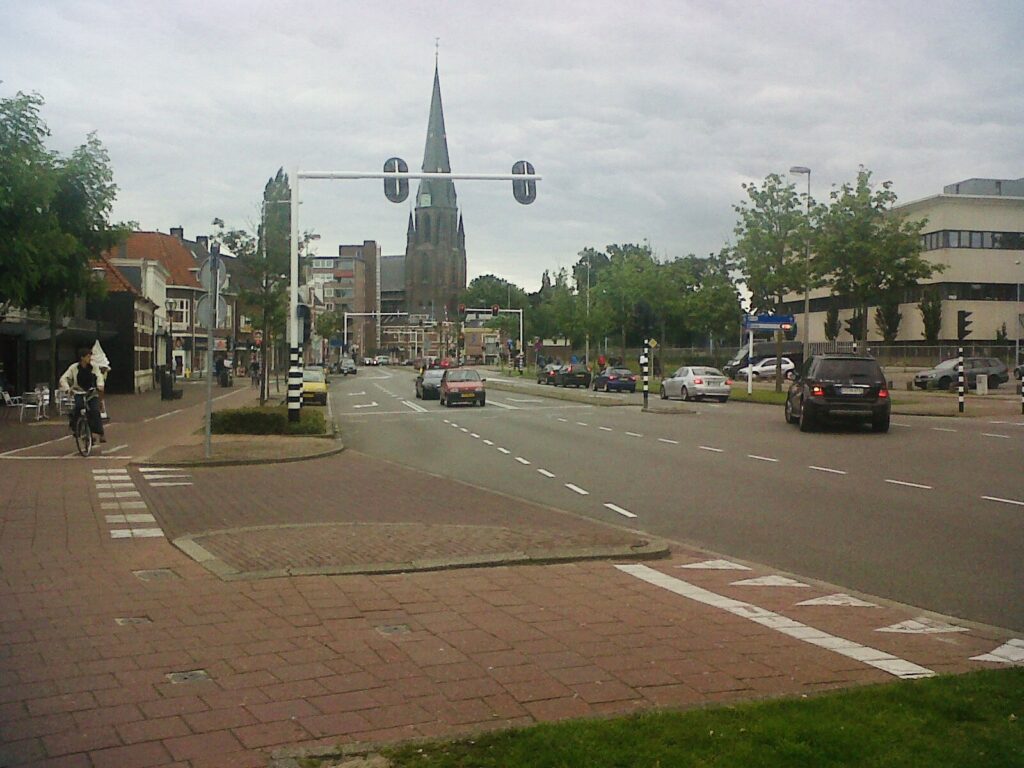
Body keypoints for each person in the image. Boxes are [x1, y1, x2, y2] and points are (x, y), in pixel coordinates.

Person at [60, 348, 106, 443]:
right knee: (78, 407)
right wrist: (67, 389)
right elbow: (63, 379)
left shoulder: (94, 367)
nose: (90, 358)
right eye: (88, 356)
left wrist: (100, 386)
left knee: (94, 410)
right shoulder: (73, 368)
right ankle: (76, 428)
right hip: (79, 392)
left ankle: (100, 433)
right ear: (82, 358)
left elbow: (99, 377)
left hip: (91, 393)